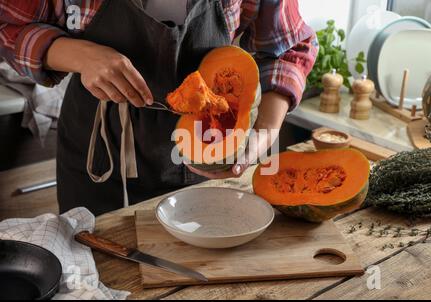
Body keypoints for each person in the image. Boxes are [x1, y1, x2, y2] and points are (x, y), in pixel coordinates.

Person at [0, 0, 318, 215]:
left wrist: (263, 135)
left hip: (205, 148)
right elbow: (9, 24)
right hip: (96, 150)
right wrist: (80, 54)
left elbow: (287, 49)